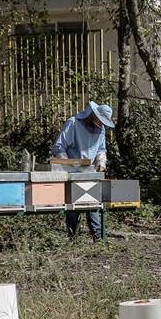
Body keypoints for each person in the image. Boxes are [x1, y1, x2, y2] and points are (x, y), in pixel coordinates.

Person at [53, 101, 115, 240]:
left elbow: (101, 149)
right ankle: (72, 238)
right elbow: (59, 147)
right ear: (93, 114)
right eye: (100, 120)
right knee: (73, 209)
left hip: (90, 173)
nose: (101, 124)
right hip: (72, 173)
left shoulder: (100, 129)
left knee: (93, 207)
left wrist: (101, 161)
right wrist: (68, 163)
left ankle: (98, 240)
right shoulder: (73, 123)